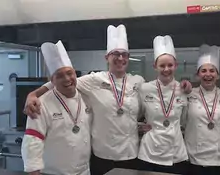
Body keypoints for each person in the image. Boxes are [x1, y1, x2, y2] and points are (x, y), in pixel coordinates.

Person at [23, 24, 192, 175]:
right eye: (115, 54)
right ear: (107, 58)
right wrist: (33, 94)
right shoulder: (93, 80)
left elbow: (150, 101)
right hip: (101, 156)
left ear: (128, 58)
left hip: (130, 153)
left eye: (124, 54)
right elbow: (63, 80)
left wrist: (184, 86)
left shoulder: (138, 81)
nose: (120, 58)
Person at [21, 41, 92, 175]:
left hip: (84, 171)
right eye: (59, 76)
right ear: (51, 81)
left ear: (75, 74)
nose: (67, 79)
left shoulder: (86, 96)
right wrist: (34, 171)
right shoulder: (41, 104)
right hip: (54, 171)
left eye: (69, 73)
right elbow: (33, 139)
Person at [137, 35, 188, 174]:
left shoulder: (183, 89)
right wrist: (139, 127)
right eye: (162, 65)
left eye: (170, 65)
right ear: (155, 66)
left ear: (175, 65)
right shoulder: (144, 88)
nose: (166, 69)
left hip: (175, 153)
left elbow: (184, 120)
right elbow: (135, 113)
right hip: (149, 151)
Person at [183, 44, 220, 175]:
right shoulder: (189, 94)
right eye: (203, 71)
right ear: (198, 75)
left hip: (219, 158)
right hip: (193, 157)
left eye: (212, 70)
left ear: (218, 75)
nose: (208, 74)